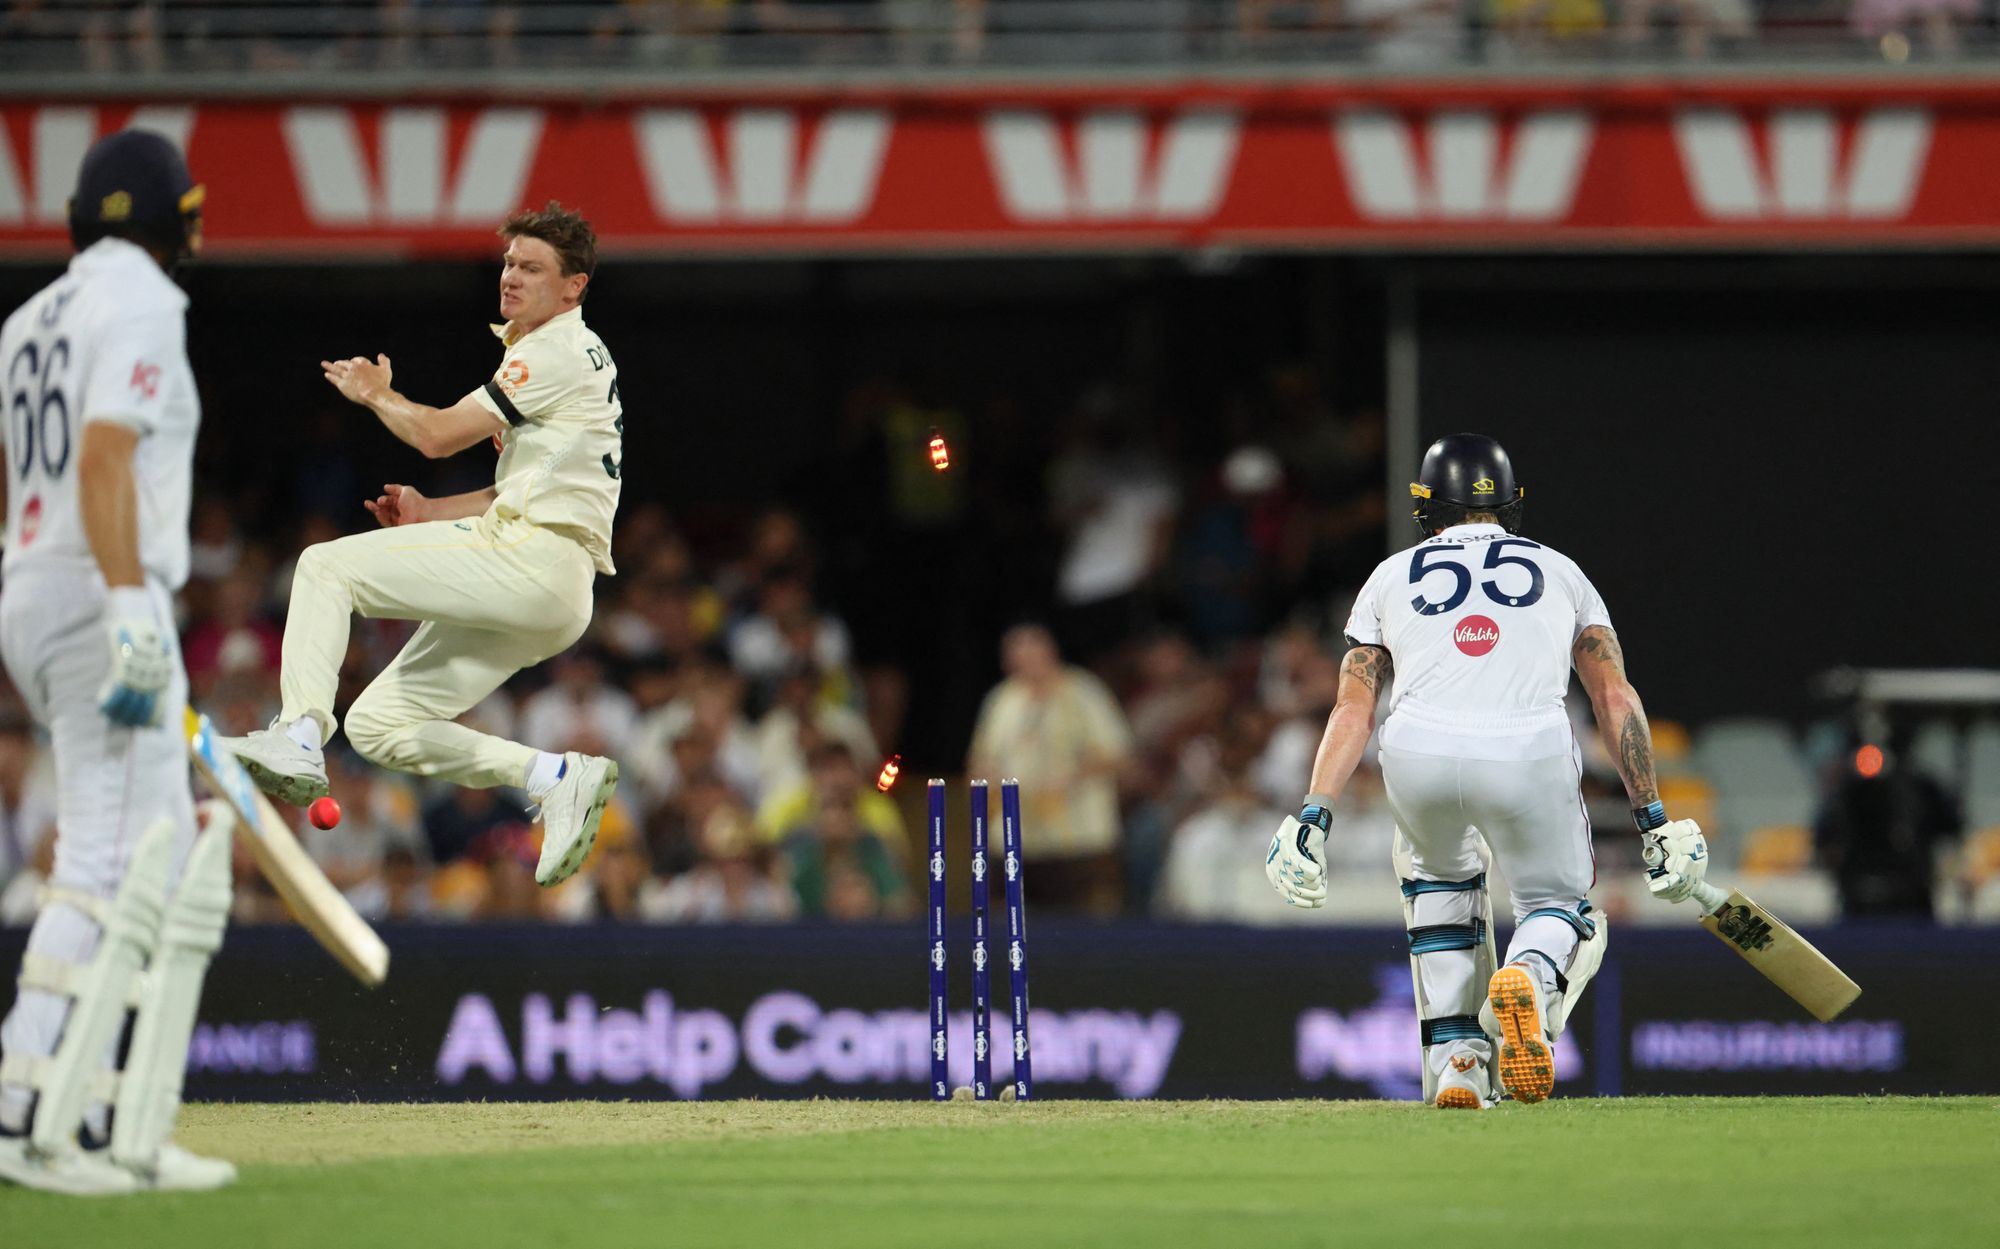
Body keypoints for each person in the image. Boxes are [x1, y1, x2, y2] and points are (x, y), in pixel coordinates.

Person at [1265, 433, 1709, 1110]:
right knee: (1563, 906)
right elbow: (1614, 697)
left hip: (1416, 753)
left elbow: (1352, 708)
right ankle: (1528, 979)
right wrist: (1653, 816)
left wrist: (1313, 815)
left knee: (1438, 887)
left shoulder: (1389, 575)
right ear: (1511, 504)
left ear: (1425, 506)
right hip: (1526, 750)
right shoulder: (1562, 572)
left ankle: (1461, 1061)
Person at [223, 201, 623, 888]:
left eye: (532, 267)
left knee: (324, 567)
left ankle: (296, 735)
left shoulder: (553, 352)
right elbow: (519, 487)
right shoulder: (566, 357)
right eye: (508, 263)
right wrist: (431, 509)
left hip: (532, 559)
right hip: (554, 583)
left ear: (573, 286)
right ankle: (552, 775)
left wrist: (379, 395)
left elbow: (436, 435)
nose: (511, 277)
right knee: (379, 724)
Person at [0, 130, 235, 1192]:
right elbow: (104, 456)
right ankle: (29, 1113)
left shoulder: (27, 317)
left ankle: (94, 1116)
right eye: (187, 211)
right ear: (162, 218)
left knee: (141, 843)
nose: (195, 227)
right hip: (103, 588)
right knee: (115, 854)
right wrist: (132, 604)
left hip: (35, 582)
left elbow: (30, 475)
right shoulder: (142, 298)